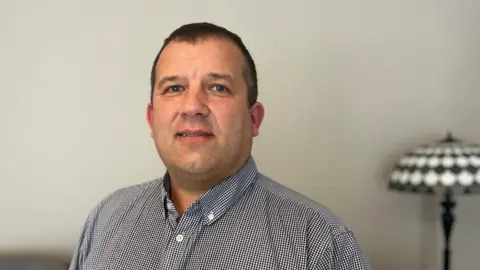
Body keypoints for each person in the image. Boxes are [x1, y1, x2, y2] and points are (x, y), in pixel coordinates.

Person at [68, 22, 371, 270]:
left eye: (217, 88)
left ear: (254, 119)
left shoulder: (320, 243)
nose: (192, 107)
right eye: (174, 88)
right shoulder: (106, 218)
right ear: (151, 118)